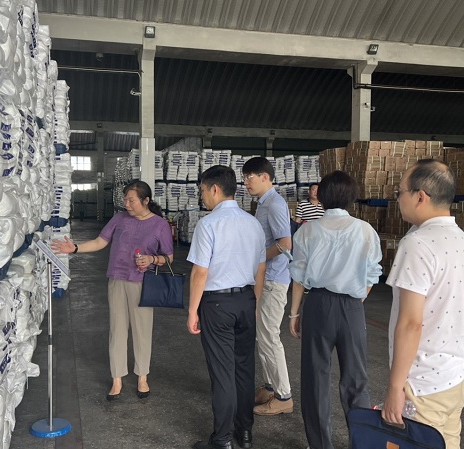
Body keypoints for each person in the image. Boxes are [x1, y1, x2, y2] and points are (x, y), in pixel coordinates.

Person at [381, 160, 464, 449]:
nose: (398, 199)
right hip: (455, 376)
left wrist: (395, 387)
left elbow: (411, 323)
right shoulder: (463, 242)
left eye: (400, 192)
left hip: (423, 383)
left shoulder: (417, 244)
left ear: (420, 196)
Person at [51, 180, 174, 401]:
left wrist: (152, 259)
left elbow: (169, 257)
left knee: (142, 330)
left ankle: (142, 377)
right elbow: (100, 242)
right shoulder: (119, 219)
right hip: (117, 279)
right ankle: (117, 379)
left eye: (132, 200)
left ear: (146, 201)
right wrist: (75, 248)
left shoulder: (159, 225)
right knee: (117, 330)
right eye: (125, 200)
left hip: (143, 283)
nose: (127, 204)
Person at [288, 170, 382, 449]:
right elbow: (372, 275)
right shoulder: (365, 230)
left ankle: (320, 444)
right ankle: (361, 442)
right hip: (352, 306)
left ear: (323, 197)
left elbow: (298, 276)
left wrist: (294, 313)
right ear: (352, 198)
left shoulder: (307, 230)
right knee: (356, 379)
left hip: (318, 304)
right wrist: (354, 302)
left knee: (315, 376)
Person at [187, 165, 266, 449]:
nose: (202, 196)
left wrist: (192, 310)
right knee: (244, 369)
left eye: (203, 190)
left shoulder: (208, 224)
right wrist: (255, 302)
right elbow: (261, 268)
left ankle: (221, 439)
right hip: (246, 300)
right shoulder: (253, 223)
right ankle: (244, 433)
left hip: (217, 303)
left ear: (215, 189)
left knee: (222, 373)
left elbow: (200, 273)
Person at [242, 157, 294, 416]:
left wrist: (259, 258)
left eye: (249, 177)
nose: (245, 182)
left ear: (265, 177)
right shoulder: (264, 203)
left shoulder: (274, 204)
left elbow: (285, 243)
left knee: (270, 337)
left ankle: (284, 396)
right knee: (262, 336)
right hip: (265, 278)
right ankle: (270, 387)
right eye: (244, 178)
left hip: (273, 280)